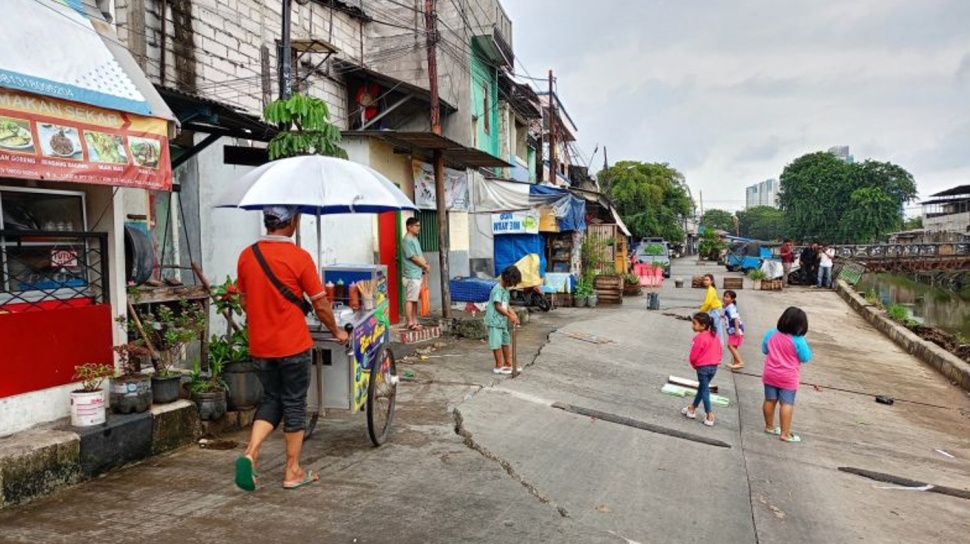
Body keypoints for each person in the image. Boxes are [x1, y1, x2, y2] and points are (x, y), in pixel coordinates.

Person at [234, 205, 349, 492]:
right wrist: (336, 331)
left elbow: (244, 301)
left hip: (261, 346)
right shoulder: (298, 257)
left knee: (272, 398)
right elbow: (320, 303)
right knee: (295, 403)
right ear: (292, 222)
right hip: (292, 345)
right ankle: (292, 470)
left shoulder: (247, 255)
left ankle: (251, 452)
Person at [762, 306, 812, 443]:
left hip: (770, 373)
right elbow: (805, 357)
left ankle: (769, 426)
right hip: (788, 377)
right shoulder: (799, 340)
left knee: (769, 400)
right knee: (786, 403)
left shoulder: (771, 333)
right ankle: (785, 433)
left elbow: (765, 349)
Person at [681, 312, 723, 426]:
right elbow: (720, 351)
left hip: (702, 368)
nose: (692, 326)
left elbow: (693, 356)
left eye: (695, 323)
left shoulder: (698, 338)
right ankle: (692, 408)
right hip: (713, 367)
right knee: (702, 388)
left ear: (703, 325)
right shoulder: (715, 337)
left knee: (704, 390)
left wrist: (694, 364)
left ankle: (709, 414)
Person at [485, 265, 521, 375]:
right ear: (506, 278)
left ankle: (508, 363)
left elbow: (506, 305)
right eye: (511, 282)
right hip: (494, 322)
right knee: (496, 343)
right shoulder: (497, 289)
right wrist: (510, 316)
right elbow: (498, 306)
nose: (511, 285)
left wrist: (513, 314)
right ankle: (498, 365)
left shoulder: (505, 290)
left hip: (501, 322)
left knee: (505, 341)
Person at [401, 217, 431, 331]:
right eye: (416, 226)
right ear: (409, 227)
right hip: (411, 274)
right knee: (410, 299)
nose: (419, 228)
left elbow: (419, 255)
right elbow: (413, 257)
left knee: (414, 299)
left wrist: (426, 264)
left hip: (417, 273)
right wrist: (424, 266)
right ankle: (410, 322)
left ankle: (414, 320)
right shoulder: (407, 240)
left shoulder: (414, 239)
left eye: (419, 225)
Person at [699, 273, 726, 347]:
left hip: (716, 310)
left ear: (712, 281)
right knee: (715, 327)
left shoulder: (711, 290)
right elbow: (708, 302)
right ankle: (716, 344)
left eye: (707, 280)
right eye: (704, 280)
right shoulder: (710, 289)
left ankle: (719, 345)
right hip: (715, 309)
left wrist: (701, 312)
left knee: (716, 328)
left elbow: (707, 303)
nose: (705, 281)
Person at [723, 290, 745, 371]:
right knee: (734, 346)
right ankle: (736, 363)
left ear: (732, 299)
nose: (725, 298)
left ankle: (740, 362)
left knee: (730, 345)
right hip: (734, 329)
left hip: (735, 329)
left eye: (727, 297)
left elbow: (735, 319)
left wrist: (736, 330)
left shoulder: (731, 307)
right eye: (724, 296)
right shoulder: (729, 306)